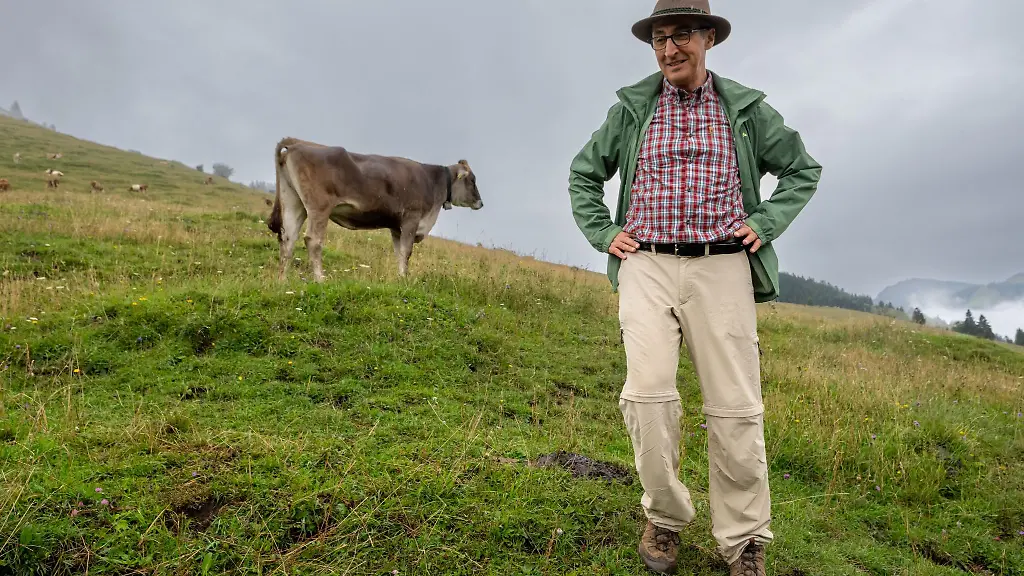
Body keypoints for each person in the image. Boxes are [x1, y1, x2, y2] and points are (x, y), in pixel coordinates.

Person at [566, 1, 822, 574]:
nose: (668, 49)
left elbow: (802, 169)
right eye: (659, 38)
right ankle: (664, 515)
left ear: (709, 39)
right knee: (647, 395)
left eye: (681, 35)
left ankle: (744, 539)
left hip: (723, 264)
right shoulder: (633, 109)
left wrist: (765, 221)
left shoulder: (747, 109)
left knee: (735, 407)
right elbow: (585, 173)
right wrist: (604, 232)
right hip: (647, 264)